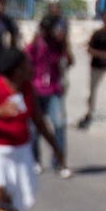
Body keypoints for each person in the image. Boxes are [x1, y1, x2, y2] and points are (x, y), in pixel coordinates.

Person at [0, 48, 42, 210]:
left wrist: (56, 148)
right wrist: (0, 111)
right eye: (27, 65)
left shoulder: (27, 88)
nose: (31, 68)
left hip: (21, 152)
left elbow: (38, 120)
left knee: (17, 205)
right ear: (16, 69)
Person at [27, 10, 72, 176]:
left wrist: (65, 43)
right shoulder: (35, 45)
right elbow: (25, 62)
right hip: (36, 89)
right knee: (34, 128)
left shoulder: (58, 45)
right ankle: (35, 160)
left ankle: (59, 162)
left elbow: (69, 61)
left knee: (59, 126)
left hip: (54, 89)